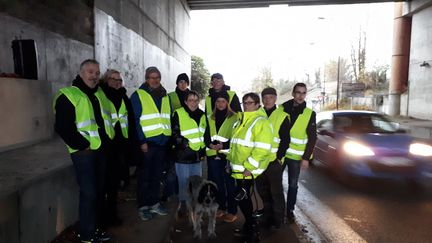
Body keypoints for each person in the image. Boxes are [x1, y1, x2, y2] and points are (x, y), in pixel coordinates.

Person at [54, 59, 113, 243]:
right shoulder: (69, 95)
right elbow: (63, 127)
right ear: (81, 73)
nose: (94, 76)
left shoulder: (99, 93)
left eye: (97, 72)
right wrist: (82, 144)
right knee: (89, 193)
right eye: (90, 72)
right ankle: (87, 235)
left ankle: (94, 229)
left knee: (98, 191)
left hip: (100, 151)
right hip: (84, 153)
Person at [228, 93, 273, 243]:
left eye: (250, 102)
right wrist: (229, 161)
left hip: (247, 170)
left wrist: (249, 167)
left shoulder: (261, 122)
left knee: (244, 199)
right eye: (244, 102)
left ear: (257, 104)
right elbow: (235, 145)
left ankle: (253, 232)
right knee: (243, 198)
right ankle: (248, 228)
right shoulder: (241, 120)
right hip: (238, 169)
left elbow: (262, 149)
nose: (246, 105)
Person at [130, 66, 171, 221]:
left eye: (157, 77)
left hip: (162, 142)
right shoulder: (138, 95)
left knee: (156, 176)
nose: (155, 80)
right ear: (146, 79)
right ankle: (143, 206)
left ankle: (154, 203)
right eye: (151, 77)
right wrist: (142, 141)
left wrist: (167, 139)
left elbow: (166, 118)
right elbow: (135, 120)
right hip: (147, 143)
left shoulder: (165, 95)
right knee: (145, 176)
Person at [99, 69, 136, 226]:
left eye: (119, 80)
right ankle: (102, 218)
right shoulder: (100, 95)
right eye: (113, 79)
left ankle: (112, 215)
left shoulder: (123, 96)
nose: (117, 82)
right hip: (104, 147)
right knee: (103, 185)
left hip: (120, 147)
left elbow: (130, 120)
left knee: (114, 185)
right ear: (106, 80)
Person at [281, 83, 317, 223]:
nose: (300, 95)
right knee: (275, 183)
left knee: (293, 185)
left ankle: (289, 210)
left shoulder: (309, 114)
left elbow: (313, 137)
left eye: (303, 93)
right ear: (293, 93)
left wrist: (306, 158)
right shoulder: (282, 109)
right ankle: (276, 207)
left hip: (296, 157)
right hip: (281, 154)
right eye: (298, 92)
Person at [255, 87, 290, 229]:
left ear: (275, 98)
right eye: (265, 97)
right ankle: (267, 216)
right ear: (262, 99)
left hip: (273, 162)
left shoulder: (282, 116)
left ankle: (278, 220)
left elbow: (285, 140)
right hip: (258, 161)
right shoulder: (257, 114)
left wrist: (278, 158)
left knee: (276, 192)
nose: (267, 100)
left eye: (270, 97)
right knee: (262, 190)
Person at [204, 91, 238, 223]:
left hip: (228, 155)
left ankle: (232, 211)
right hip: (213, 155)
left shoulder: (235, 117)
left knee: (230, 184)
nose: (220, 104)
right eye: (218, 101)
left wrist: (223, 146)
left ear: (228, 103)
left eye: (223, 101)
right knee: (218, 184)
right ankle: (222, 207)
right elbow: (206, 134)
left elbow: (236, 137)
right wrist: (210, 145)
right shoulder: (210, 117)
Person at [171, 91, 206, 216]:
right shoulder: (178, 113)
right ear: (185, 101)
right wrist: (186, 145)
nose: (194, 102)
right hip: (183, 154)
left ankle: (196, 202)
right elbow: (175, 133)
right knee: (183, 181)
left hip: (197, 154)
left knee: (197, 181)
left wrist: (202, 149)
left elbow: (204, 134)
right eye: (191, 100)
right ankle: (184, 204)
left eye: (196, 100)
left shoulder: (202, 115)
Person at [163, 73, 191, 201]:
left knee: (187, 168)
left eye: (185, 81)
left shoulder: (192, 96)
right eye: (180, 81)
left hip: (189, 136)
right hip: (174, 135)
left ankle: (185, 193)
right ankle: (170, 193)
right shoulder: (170, 97)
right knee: (172, 168)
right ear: (177, 83)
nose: (183, 84)